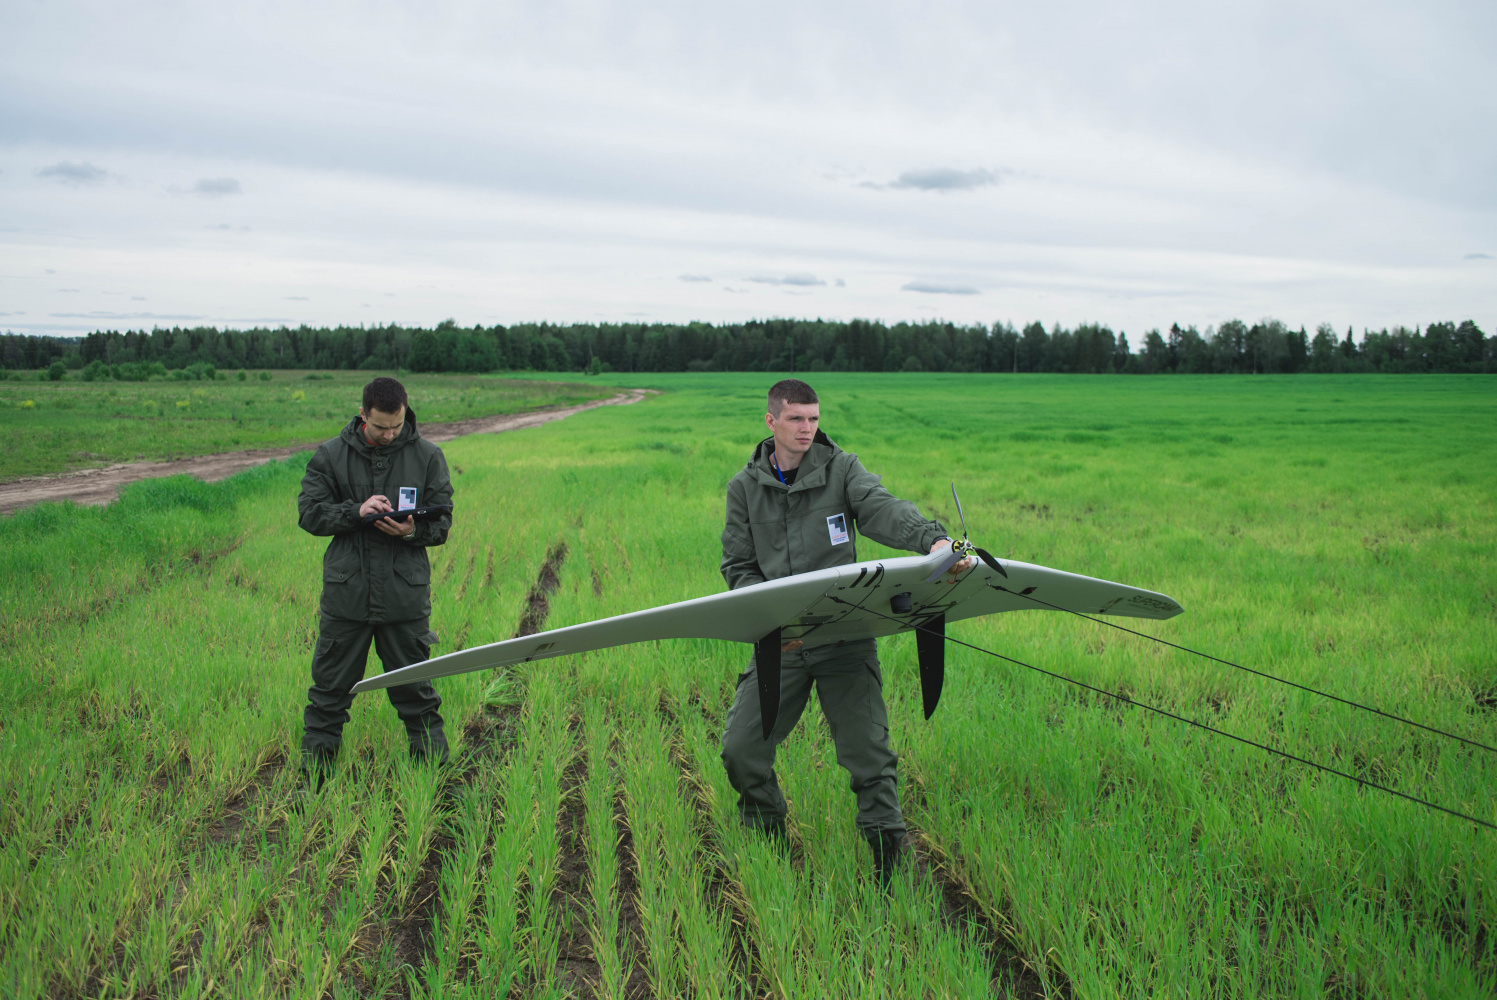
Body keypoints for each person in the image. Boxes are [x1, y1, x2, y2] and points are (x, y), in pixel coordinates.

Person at [719, 378, 971, 882]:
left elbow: (883, 508)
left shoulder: (842, 469)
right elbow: (739, 566)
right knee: (740, 752)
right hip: (784, 644)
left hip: (844, 638)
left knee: (869, 758)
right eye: (795, 419)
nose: (807, 428)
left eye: (813, 418)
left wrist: (933, 542)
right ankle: (770, 847)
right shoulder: (744, 488)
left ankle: (891, 865)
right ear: (771, 421)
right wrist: (771, 621)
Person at [296, 376, 453, 785]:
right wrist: (355, 511)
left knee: (417, 694)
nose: (389, 434)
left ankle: (433, 782)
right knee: (329, 694)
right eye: (381, 426)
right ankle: (314, 783)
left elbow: (442, 522)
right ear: (363, 414)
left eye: (396, 426)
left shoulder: (428, 456)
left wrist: (412, 531)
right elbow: (309, 513)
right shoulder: (330, 455)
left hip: (404, 598)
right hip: (347, 596)